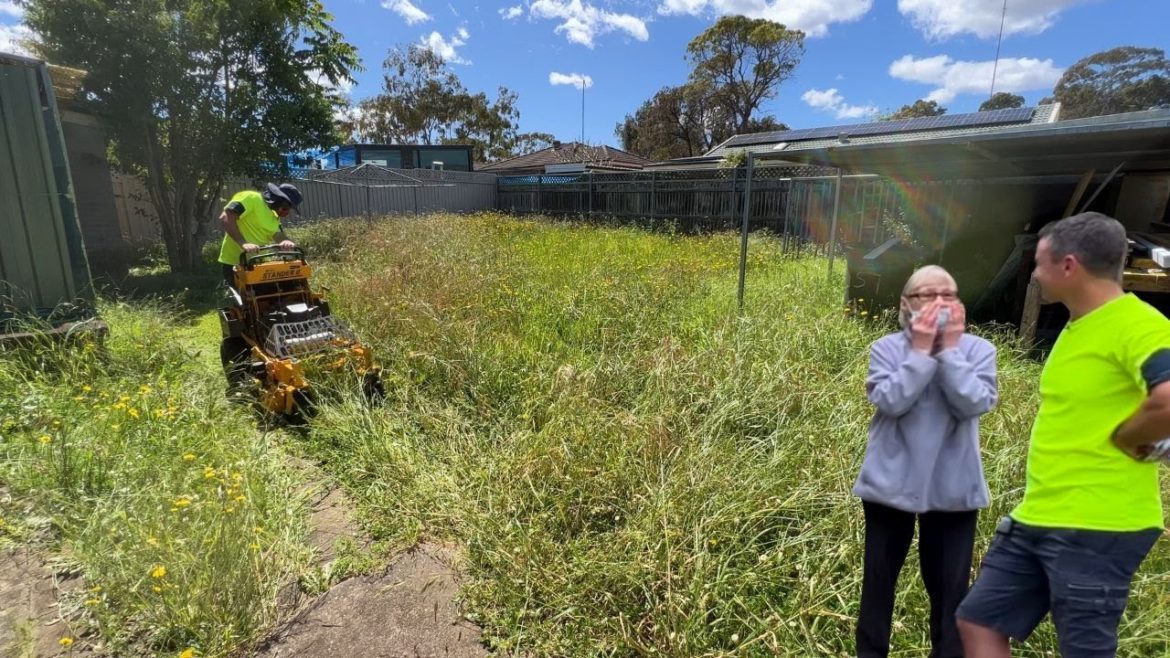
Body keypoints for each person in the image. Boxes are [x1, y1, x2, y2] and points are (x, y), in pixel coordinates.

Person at [957, 212, 1170, 658]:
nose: (1035, 274)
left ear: (1069, 265)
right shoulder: (1077, 327)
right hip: (1040, 514)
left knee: (1084, 650)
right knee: (979, 620)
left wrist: (1130, 438)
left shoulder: (1139, 324)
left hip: (1099, 523)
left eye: (1040, 263)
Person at [855, 264, 998, 658]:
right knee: (878, 583)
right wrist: (920, 352)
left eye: (948, 295)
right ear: (906, 304)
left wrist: (948, 352)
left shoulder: (978, 350)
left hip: (953, 489)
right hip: (889, 485)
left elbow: (975, 403)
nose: (939, 303)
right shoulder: (886, 348)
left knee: (951, 590)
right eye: (927, 295)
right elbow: (891, 401)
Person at [218, 182, 303, 289]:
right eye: (285, 208)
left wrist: (285, 241)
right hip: (236, 264)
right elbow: (226, 216)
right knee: (245, 298)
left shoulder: (274, 215)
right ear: (276, 199)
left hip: (259, 265)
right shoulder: (251, 198)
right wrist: (243, 243)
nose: (287, 213)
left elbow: (277, 234)